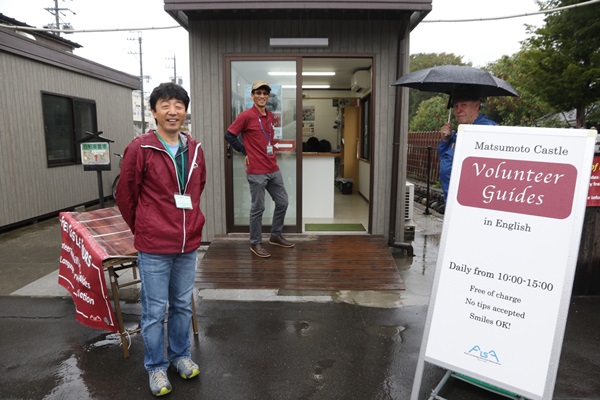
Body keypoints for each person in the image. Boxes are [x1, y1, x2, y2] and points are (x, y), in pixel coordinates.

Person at [116, 82, 206, 397]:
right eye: (165, 105)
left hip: (187, 242)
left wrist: (190, 223)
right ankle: (156, 366)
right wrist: (144, 226)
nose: (173, 111)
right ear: (153, 111)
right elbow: (125, 194)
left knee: (181, 305)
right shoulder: (140, 148)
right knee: (155, 310)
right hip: (154, 245)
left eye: (178, 105)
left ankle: (180, 356)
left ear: (185, 110)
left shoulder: (194, 149)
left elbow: (197, 188)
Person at [225, 80, 294, 258]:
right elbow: (229, 135)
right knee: (258, 208)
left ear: (268, 96)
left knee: (283, 202)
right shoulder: (245, 116)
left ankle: (275, 235)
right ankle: (255, 242)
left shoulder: (270, 115)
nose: (262, 96)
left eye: (265, 93)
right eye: (258, 93)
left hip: (273, 167)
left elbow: (267, 139)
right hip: (256, 170)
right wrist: (244, 150)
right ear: (252, 95)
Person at [438, 85, 497, 203]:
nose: (458, 110)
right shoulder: (463, 130)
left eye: (463, 105)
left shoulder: (485, 131)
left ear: (477, 105)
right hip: (453, 199)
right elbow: (444, 159)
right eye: (455, 106)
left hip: (469, 203)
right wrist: (445, 140)